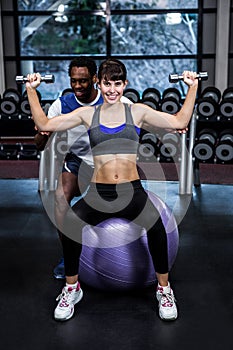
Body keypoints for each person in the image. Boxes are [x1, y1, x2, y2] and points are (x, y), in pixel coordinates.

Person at [26, 58, 198, 322]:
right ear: (99, 83)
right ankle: (72, 287)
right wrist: (31, 89)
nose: (112, 90)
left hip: (132, 190)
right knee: (70, 225)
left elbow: (179, 121)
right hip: (99, 192)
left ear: (125, 84)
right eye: (107, 83)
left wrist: (192, 87)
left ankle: (164, 289)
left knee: (156, 229)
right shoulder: (88, 115)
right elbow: (45, 125)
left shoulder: (137, 111)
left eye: (117, 84)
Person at [34, 57, 132, 279]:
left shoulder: (113, 99)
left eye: (84, 81)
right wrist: (43, 132)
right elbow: (39, 144)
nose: (77, 86)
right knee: (60, 198)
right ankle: (68, 256)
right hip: (77, 159)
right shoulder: (62, 104)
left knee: (118, 204)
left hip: (107, 162)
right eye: (74, 81)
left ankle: (117, 250)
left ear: (95, 80)